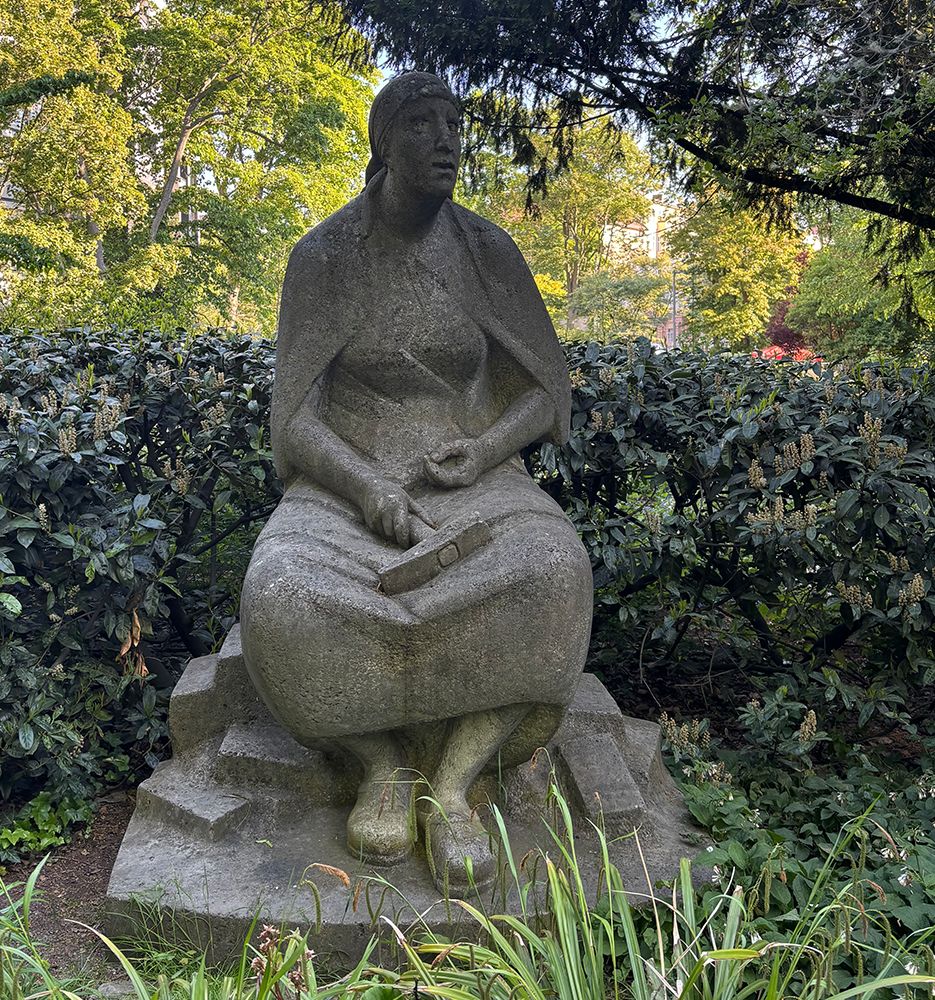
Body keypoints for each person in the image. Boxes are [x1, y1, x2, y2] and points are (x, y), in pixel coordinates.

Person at [240, 72, 593, 889]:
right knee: (281, 595)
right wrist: (366, 485)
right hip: (344, 486)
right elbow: (295, 419)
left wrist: (485, 447)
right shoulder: (324, 257)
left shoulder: (487, 252)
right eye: (422, 124)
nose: (446, 141)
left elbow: (546, 392)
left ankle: (455, 783)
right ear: (384, 142)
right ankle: (381, 764)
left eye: (454, 124)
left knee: (556, 575)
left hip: (476, 480)